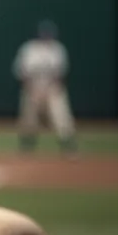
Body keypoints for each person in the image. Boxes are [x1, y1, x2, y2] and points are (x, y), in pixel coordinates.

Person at [12, 20, 77, 153]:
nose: (47, 37)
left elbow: (60, 75)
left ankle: (68, 146)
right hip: (32, 89)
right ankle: (27, 147)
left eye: (49, 35)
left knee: (61, 117)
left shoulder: (58, 49)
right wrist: (33, 89)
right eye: (45, 35)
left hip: (52, 90)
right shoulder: (29, 49)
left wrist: (51, 89)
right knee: (29, 119)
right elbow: (22, 73)